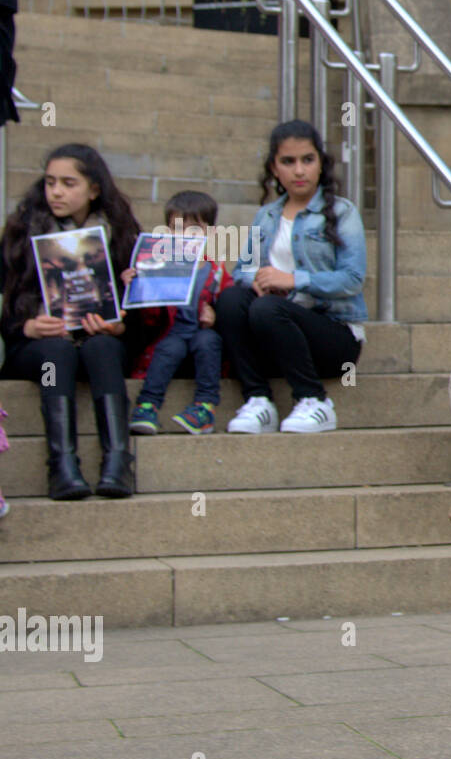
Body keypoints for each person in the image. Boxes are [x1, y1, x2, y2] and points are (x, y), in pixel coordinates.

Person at [0, 144, 140, 499]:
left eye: (67, 183)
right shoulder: (21, 231)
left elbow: (143, 317)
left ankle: (118, 462)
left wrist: (121, 323)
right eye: (49, 182)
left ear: (94, 190)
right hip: (39, 349)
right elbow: (4, 306)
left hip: (98, 345)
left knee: (104, 347)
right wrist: (27, 326)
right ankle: (61, 465)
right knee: (55, 355)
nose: (56, 192)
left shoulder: (120, 234)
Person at [216, 120, 366, 434]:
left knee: (267, 308)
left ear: (320, 165)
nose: (299, 171)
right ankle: (258, 400)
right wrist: (256, 280)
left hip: (333, 338)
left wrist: (293, 280)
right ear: (274, 168)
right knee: (231, 298)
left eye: (307, 160)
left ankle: (315, 401)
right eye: (288, 161)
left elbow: (352, 279)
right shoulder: (267, 215)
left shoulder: (342, 212)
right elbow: (241, 270)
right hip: (275, 334)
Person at [127, 191, 232, 435]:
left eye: (194, 229)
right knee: (168, 348)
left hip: (200, 335)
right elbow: (149, 315)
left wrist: (214, 316)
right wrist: (136, 284)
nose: (185, 236)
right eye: (177, 229)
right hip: (172, 335)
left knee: (209, 341)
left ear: (211, 234)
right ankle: (147, 405)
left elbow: (227, 301)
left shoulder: (215, 270)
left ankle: (205, 406)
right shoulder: (159, 265)